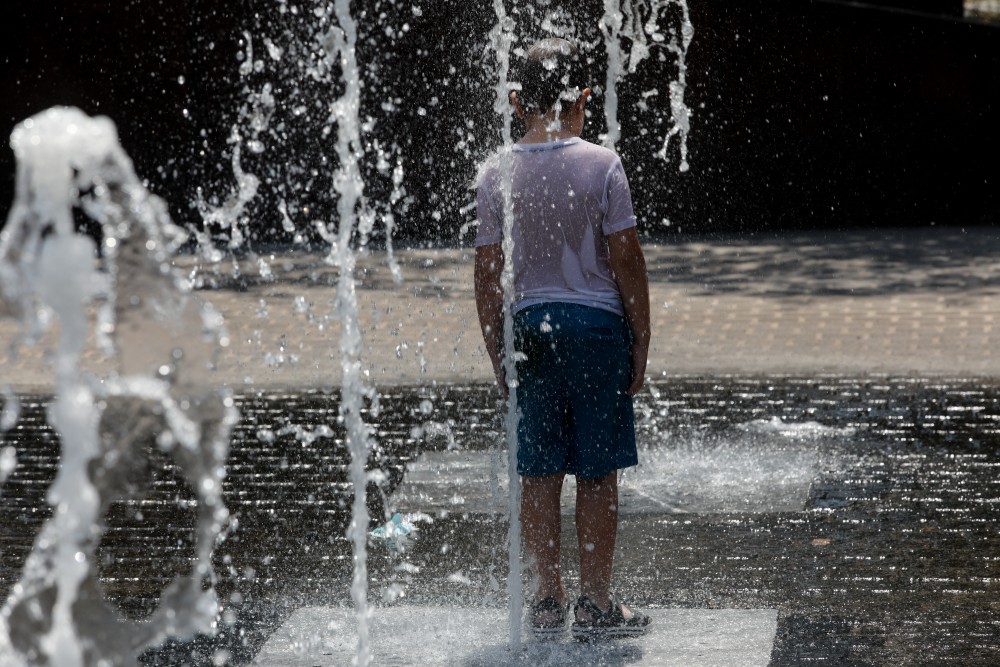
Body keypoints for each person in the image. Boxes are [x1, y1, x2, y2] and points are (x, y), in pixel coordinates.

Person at [473, 37, 652, 640]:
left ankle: (548, 599)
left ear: (517, 100)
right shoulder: (604, 164)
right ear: (581, 99)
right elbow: (627, 259)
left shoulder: (495, 171)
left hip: (530, 329)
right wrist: (641, 339)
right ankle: (596, 603)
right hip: (597, 329)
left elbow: (487, 273)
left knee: (538, 470)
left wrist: (498, 350)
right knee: (597, 472)